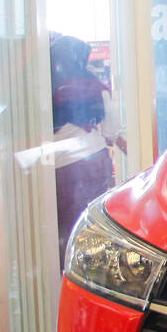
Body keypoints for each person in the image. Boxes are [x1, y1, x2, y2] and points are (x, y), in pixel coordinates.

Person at [49, 34, 124, 264]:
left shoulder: (46, 89)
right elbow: (114, 131)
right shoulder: (95, 86)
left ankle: (68, 278)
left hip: (62, 167)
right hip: (96, 159)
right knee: (93, 225)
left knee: (63, 229)